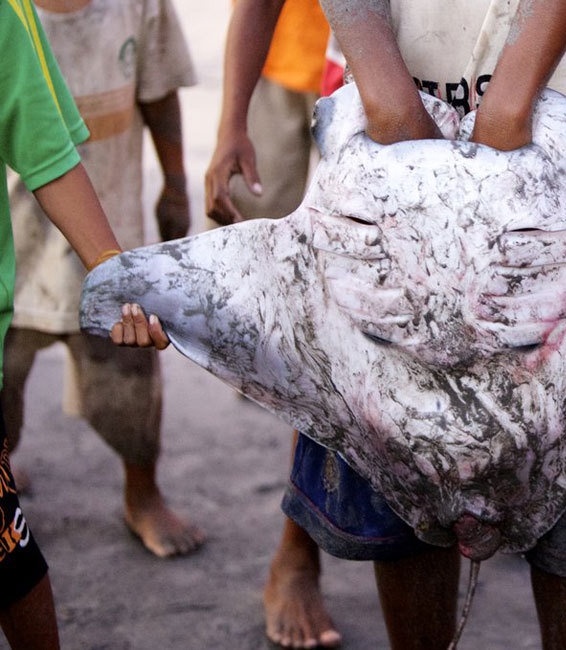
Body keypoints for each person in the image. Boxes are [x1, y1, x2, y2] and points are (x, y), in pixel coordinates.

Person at [206, 0, 566, 648]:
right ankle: (304, 551)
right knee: (392, 434)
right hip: (390, 142)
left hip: (564, 146)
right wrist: (388, 101)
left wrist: (512, 106)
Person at [1, 0, 205, 560]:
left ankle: (142, 492)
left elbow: (159, 96)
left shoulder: (139, 7)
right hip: (16, 250)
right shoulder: (13, 16)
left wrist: (175, 184)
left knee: (130, 379)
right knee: (5, 381)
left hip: (107, 222)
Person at [204, 1, 342, 647]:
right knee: (305, 320)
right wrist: (232, 120)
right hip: (302, 64)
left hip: (448, 88)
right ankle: (297, 549)